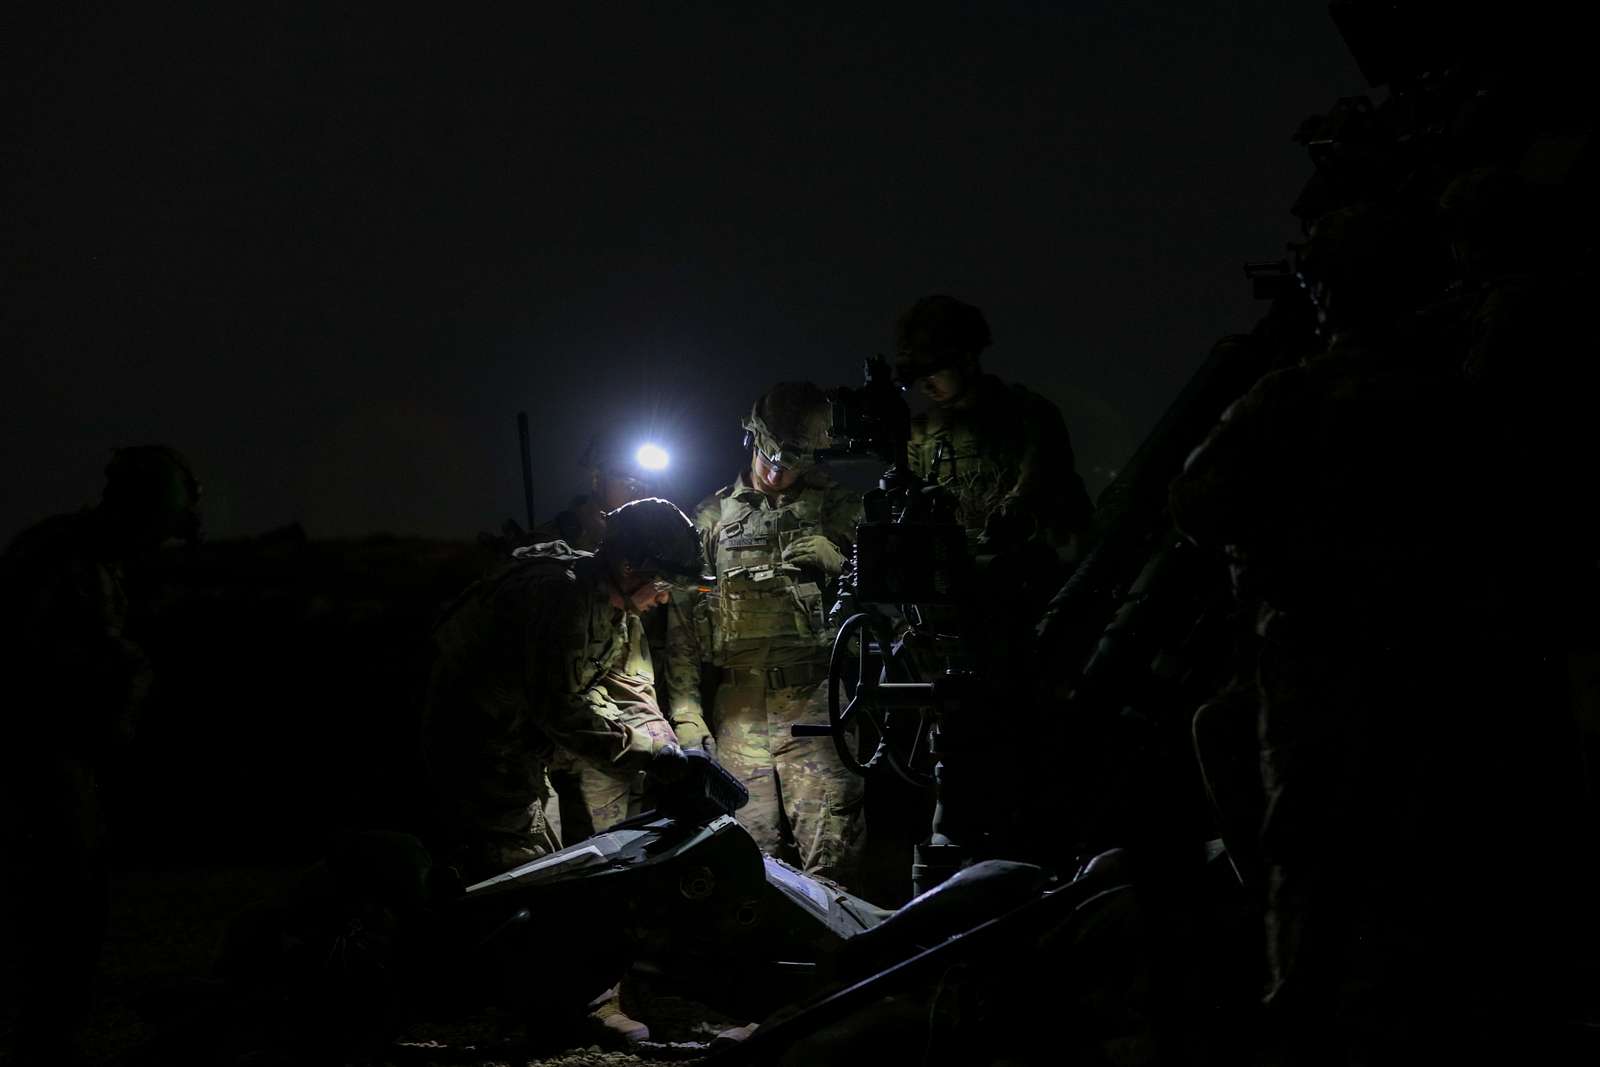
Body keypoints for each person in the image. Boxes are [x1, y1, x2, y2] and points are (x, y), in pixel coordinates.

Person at [0, 445, 203, 1065]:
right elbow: (64, 672)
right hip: (40, 754)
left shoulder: (76, 555)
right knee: (63, 905)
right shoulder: (67, 563)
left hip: (53, 754)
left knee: (68, 904)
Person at [422, 497, 705, 879]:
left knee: (550, 869)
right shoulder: (559, 599)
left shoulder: (620, 607)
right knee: (519, 878)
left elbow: (632, 689)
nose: (665, 597)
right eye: (663, 582)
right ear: (627, 567)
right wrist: (653, 757)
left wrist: (673, 750)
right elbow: (560, 712)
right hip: (477, 753)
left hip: (522, 751)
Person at [664, 383, 866, 887]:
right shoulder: (710, 518)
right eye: (769, 455)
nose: (776, 471)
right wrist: (687, 714)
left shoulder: (843, 511)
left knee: (833, 859)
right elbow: (685, 626)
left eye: (792, 462)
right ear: (751, 436)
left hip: (817, 705)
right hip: (739, 713)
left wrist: (842, 567)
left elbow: (894, 608)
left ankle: (837, 964)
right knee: (743, 860)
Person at [895, 294, 1094, 562]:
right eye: (920, 378)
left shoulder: (1028, 415)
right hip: (956, 579)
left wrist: (1016, 514)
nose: (926, 386)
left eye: (934, 374)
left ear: (966, 360)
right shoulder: (921, 433)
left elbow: (1042, 485)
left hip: (1029, 574)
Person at [529, 429, 664, 552]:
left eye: (648, 485)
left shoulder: (653, 546)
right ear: (597, 478)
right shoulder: (547, 542)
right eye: (630, 482)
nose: (641, 494)